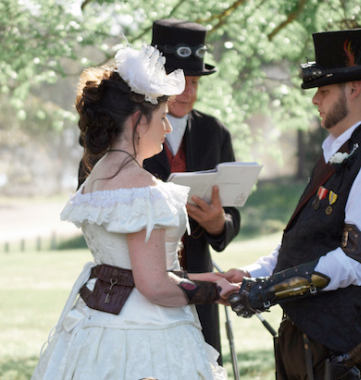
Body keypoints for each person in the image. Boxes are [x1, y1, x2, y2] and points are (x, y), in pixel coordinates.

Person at [33, 44, 238, 380]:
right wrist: (217, 293)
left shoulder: (96, 178)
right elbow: (154, 285)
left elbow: (134, 271)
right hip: (146, 338)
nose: (168, 128)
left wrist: (214, 277)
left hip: (98, 328)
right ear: (137, 121)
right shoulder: (142, 189)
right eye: (161, 118)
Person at [221, 27, 361, 380]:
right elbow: (307, 240)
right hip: (299, 339)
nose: (315, 100)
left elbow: (353, 262)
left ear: (353, 89)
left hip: (340, 347)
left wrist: (266, 290)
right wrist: (254, 274)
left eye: (323, 90)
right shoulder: (337, 153)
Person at [143, 18, 242, 364]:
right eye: (179, 82)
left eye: (195, 82)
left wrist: (218, 224)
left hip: (199, 279)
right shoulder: (129, 131)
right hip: (145, 284)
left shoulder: (215, 132)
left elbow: (231, 215)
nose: (188, 92)